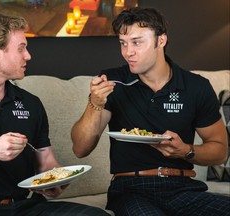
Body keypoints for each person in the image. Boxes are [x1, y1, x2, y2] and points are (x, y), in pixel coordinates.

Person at [0, 13, 109, 216]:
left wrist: (55, 180)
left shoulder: (30, 103)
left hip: (25, 207)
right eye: (21, 48)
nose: (28, 56)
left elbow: (46, 161)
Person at [71, 7, 230, 216]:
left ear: (161, 40)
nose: (128, 52)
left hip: (183, 188)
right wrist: (95, 103)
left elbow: (220, 151)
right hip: (130, 190)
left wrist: (186, 151)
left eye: (137, 42)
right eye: (123, 43)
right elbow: (80, 149)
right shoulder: (112, 81)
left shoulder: (195, 87)